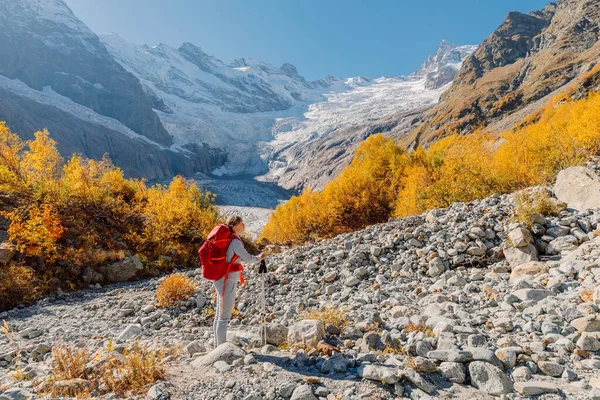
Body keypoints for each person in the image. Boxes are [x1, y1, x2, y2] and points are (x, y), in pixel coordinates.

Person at [213, 215, 266, 347]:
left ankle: (216, 345)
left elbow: (236, 258)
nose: (244, 226)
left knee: (219, 313)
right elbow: (247, 258)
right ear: (236, 225)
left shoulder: (229, 240)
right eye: (242, 223)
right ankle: (221, 348)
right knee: (224, 316)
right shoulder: (235, 242)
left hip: (222, 277)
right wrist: (259, 258)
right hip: (228, 279)